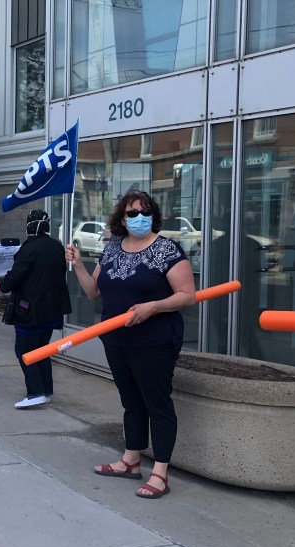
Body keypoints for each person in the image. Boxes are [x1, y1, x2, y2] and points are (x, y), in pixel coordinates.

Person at [66, 190, 195, 500]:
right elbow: (94, 292)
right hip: (117, 340)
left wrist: (152, 307)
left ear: (154, 216)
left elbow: (187, 295)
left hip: (154, 341)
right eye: (132, 213)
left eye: (144, 212)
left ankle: (160, 473)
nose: (138, 218)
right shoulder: (112, 249)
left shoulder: (167, 250)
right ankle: (131, 460)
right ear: (121, 219)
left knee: (157, 404)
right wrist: (79, 265)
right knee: (131, 402)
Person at [0, 209, 71, 409]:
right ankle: (45, 391)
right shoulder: (56, 246)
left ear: (30, 225)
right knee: (42, 349)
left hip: (30, 310)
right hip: (52, 309)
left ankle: (35, 392)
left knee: (24, 349)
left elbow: (16, 276)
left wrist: (3, 285)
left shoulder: (29, 248)